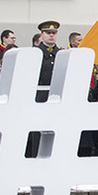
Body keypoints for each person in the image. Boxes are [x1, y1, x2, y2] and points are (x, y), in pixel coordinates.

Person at [30, 20, 61, 157]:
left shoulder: (60, 54)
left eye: (54, 33)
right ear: (41, 35)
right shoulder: (36, 53)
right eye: (48, 33)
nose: (51, 36)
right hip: (40, 96)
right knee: (38, 130)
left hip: (56, 96)